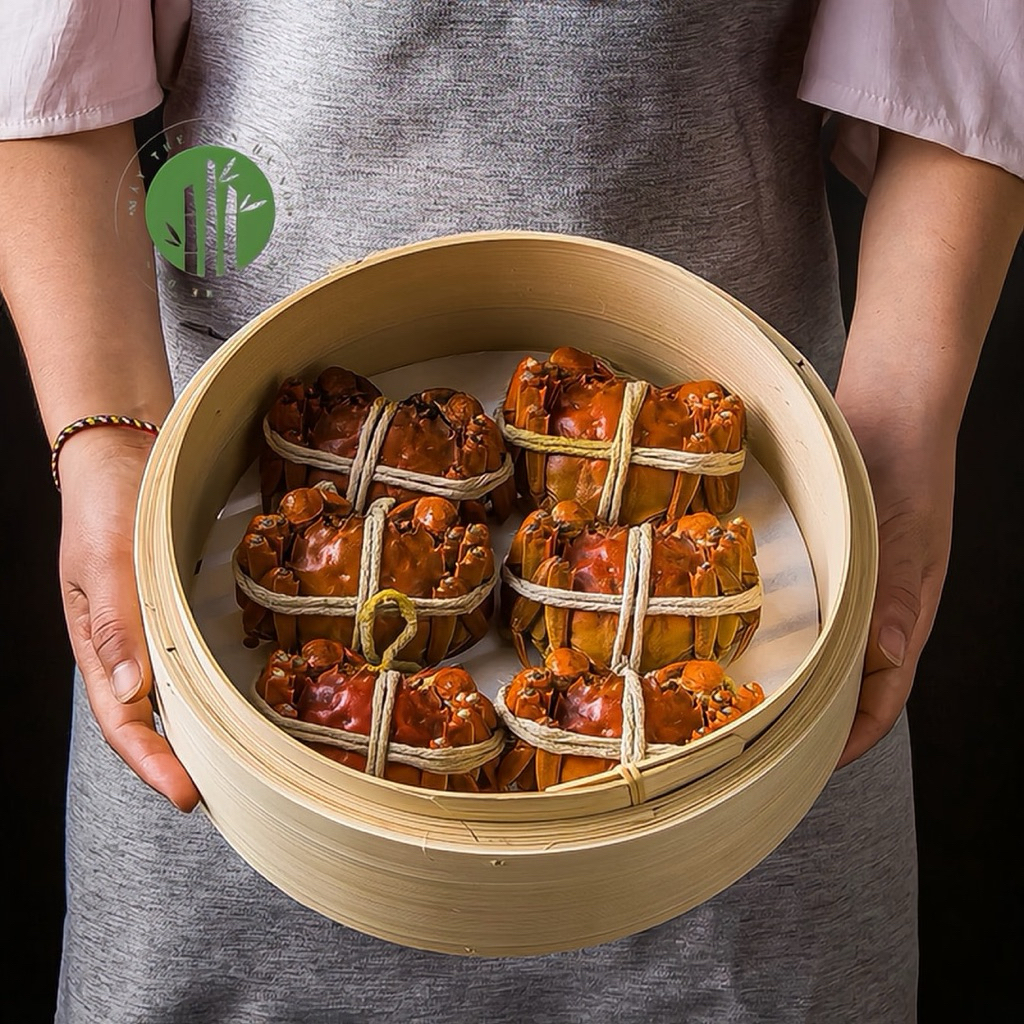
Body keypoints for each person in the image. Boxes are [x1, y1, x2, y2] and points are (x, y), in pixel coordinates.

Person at [1, 1, 1021, 1021]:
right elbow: (42, 71)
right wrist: (107, 437)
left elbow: (961, 66)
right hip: (230, 719)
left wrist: (896, 434)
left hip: (745, 757)